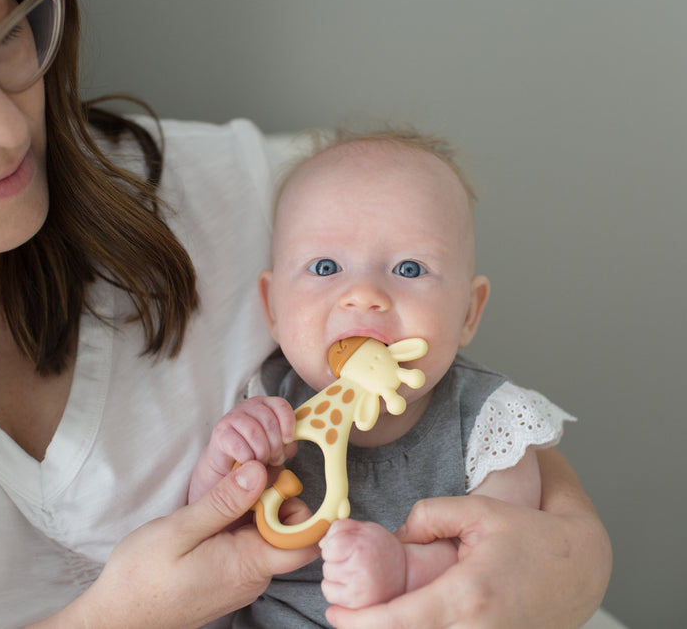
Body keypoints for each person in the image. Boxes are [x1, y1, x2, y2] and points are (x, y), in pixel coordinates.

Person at [0, 0, 611, 627]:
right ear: (270, 295)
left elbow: (519, 488)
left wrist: (576, 562)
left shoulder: (241, 196)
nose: (5, 130)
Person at [190, 130, 579, 628]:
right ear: (273, 307)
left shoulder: (487, 420)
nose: (364, 294)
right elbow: (209, 532)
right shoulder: (269, 401)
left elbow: (501, 562)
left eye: (410, 268)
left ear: (468, 312)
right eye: (326, 266)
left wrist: (406, 568)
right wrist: (222, 463)